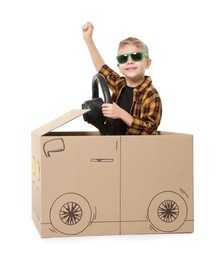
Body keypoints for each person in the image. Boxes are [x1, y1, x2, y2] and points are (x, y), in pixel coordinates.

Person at [82, 22, 162, 135]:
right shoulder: (119, 85)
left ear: (147, 63)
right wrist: (88, 39)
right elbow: (101, 68)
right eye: (123, 58)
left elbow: (149, 131)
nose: (129, 61)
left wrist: (121, 114)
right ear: (119, 67)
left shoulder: (150, 94)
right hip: (116, 144)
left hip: (139, 148)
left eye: (136, 56)